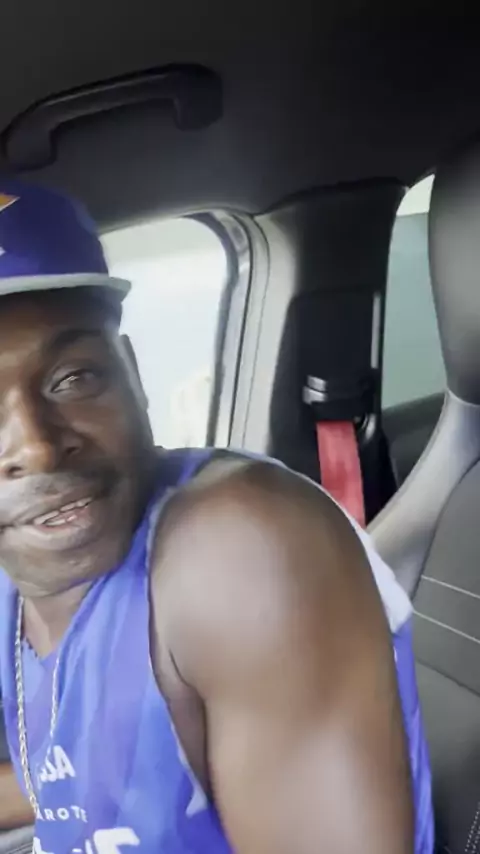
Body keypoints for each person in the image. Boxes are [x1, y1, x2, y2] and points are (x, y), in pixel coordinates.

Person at [0, 179, 433, 854]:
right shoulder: (21, 569)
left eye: (74, 378)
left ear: (132, 375)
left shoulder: (238, 550)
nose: (36, 446)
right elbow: (71, 779)